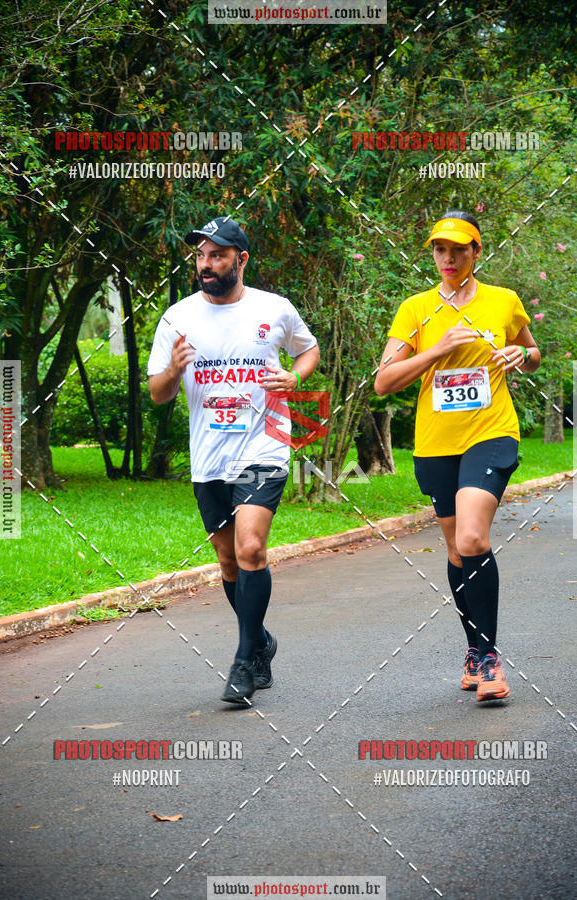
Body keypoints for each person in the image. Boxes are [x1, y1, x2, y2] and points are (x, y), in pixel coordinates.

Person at [148, 216, 320, 704]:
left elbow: (308, 351)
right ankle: (262, 640)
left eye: (217, 255)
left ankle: (245, 662)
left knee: (250, 549)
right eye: (201, 256)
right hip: (209, 458)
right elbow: (157, 392)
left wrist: (294, 377)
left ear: (240, 260)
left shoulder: (274, 308)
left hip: (263, 444)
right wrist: (174, 370)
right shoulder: (176, 318)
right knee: (227, 560)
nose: (206, 264)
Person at [374, 210, 540, 702]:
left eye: (458, 249)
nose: (448, 258)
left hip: (491, 432)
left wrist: (521, 357)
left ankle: (489, 660)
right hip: (435, 442)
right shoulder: (416, 309)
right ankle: (473, 649)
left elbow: (532, 351)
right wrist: (436, 350)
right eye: (440, 249)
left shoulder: (503, 302)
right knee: (454, 550)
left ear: (476, 252)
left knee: (472, 535)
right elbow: (385, 380)